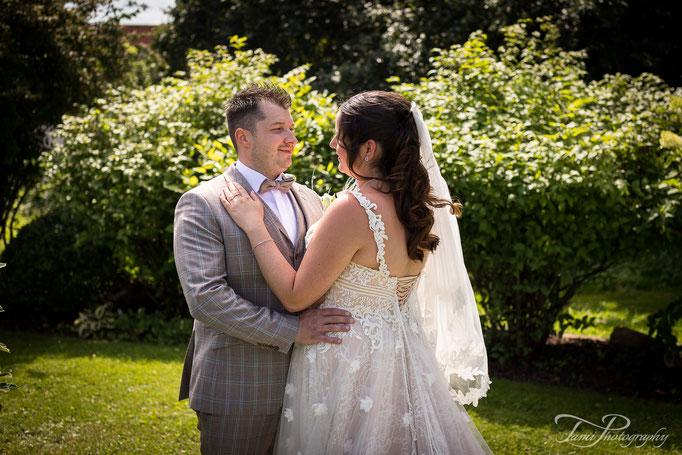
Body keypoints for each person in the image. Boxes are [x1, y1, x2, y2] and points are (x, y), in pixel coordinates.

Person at [220, 91, 492, 454]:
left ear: (367, 149)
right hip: (402, 357)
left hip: (347, 362)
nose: (332, 143)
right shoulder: (418, 204)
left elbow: (296, 295)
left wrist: (255, 227)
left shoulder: (354, 208)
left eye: (339, 136)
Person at [173, 84, 354, 455]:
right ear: (243, 137)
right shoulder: (202, 203)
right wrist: (293, 330)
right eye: (277, 130)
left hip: (310, 386)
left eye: (291, 128)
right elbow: (207, 300)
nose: (291, 139)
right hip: (237, 388)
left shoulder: (307, 197)